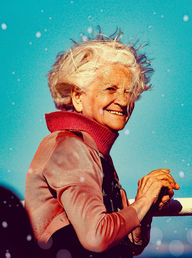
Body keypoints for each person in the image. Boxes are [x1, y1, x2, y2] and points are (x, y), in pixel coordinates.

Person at [25, 29, 180, 257]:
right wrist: (143, 201)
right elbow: (96, 237)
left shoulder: (93, 151)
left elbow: (130, 245)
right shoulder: (69, 147)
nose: (124, 100)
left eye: (130, 91)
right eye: (111, 89)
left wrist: (146, 208)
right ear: (78, 96)